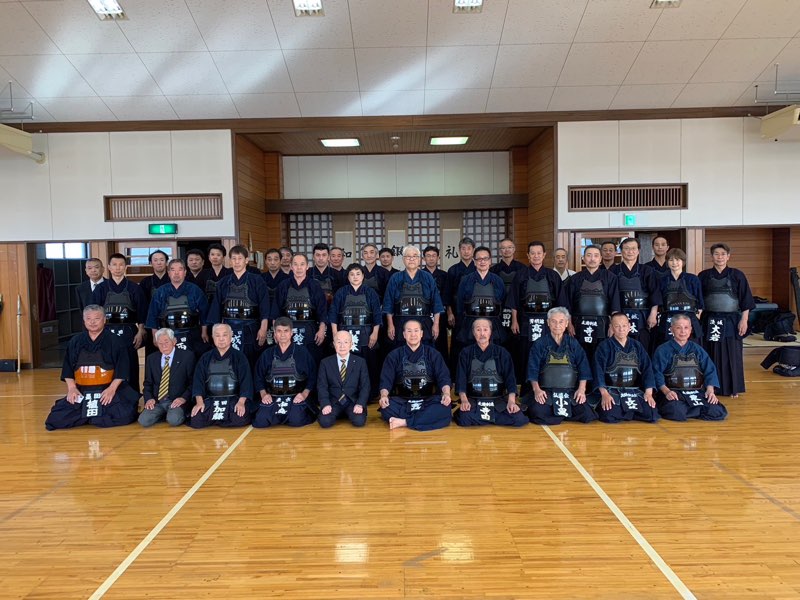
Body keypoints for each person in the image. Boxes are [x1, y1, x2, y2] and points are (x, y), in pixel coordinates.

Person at [44, 305, 140, 430]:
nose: (92, 322)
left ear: (104, 320)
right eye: (88, 319)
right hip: (82, 390)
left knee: (125, 415)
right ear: (84, 321)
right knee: (56, 419)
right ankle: (91, 416)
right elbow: (68, 369)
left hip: (106, 389)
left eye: (96, 319)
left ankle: (87, 417)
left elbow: (122, 369)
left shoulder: (116, 341)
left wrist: (111, 389)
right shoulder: (75, 341)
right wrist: (72, 388)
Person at [698, 243, 755, 397]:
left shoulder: (737, 275)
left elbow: (746, 300)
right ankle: (710, 387)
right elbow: (699, 300)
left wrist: (744, 320)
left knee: (732, 353)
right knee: (709, 353)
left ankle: (732, 388)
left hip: (731, 320)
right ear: (711, 256)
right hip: (709, 320)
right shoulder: (703, 276)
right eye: (716, 254)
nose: (720, 257)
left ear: (728, 256)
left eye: (723, 254)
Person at [524, 307, 597, 425]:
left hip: (569, 391)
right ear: (548, 323)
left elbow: (583, 367)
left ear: (567, 323)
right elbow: (532, 369)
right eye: (553, 321)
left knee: (587, 414)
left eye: (561, 322)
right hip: (546, 391)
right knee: (538, 412)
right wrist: (537, 390)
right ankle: (563, 416)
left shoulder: (573, 343)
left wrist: (581, 390)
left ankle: (557, 416)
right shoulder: (540, 344)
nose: (557, 325)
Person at [508, 241, 566, 388]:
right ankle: (527, 388)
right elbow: (514, 299)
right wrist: (514, 320)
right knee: (526, 353)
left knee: (547, 352)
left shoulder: (553, 275)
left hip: (548, 321)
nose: (536, 256)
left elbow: (560, 303)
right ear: (528, 255)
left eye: (539, 253)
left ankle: (546, 386)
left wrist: (560, 324)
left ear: (544, 255)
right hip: (526, 320)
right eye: (532, 253)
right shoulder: (520, 275)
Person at [378, 319, 452, 431]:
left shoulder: (433, 354)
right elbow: (386, 380)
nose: (413, 334)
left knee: (445, 408)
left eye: (416, 331)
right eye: (409, 331)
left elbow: (444, 377)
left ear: (421, 334)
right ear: (404, 334)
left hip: (428, 400)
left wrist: (446, 394)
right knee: (386, 408)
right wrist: (384, 396)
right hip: (402, 401)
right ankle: (422, 419)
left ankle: (404, 422)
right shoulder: (394, 355)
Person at [652, 314, 727, 421]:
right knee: (676, 411)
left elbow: (710, 370)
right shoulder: (663, 350)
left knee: (717, 411)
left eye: (686, 327)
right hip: (673, 392)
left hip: (695, 391)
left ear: (691, 329)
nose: (683, 331)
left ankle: (691, 410)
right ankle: (694, 411)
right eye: (678, 328)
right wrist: (666, 391)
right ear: (671, 329)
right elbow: (656, 373)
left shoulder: (697, 349)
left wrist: (710, 391)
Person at [454, 318, 528, 427]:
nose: (482, 333)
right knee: (464, 418)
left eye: (485, 329)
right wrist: (464, 401)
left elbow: (510, 379)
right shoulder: (466, 353)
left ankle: (482, 418)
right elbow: (461, 379)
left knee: (518, 419)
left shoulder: (502, 353)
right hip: (474, 400)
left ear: (491, 332)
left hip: (497, 400)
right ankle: (494, 419)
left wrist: (511, 401)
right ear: (473, 333)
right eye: (478, 330)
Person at [91, 253, 148, 394]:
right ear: (109, 267)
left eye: (121, 265)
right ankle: (108, 396)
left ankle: (133, 396)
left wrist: (140, 332)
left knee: (130, 364)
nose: (118, 268)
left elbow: (142, 312)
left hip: (128, 331)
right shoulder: (101, 288)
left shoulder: (134, 288)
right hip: (106, 331)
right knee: (108, 364)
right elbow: (94, 313)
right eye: (114, 265)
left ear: (125, 267)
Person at [207, 245, 270, 368]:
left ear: (246, 260)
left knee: (250, 362)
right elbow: (216, 309)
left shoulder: (257, 280)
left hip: (250, 328)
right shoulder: (223, 282)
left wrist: (263, 328)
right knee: (230, 363)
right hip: (228, 328)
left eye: (240, 258)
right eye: (234, 259)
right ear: (230, 261)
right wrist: (217, 332)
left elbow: (264, 305)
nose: (236, 262)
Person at [593, 313, 659, 424]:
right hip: (612, 390)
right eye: (617, 326)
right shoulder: (604, 346)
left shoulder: (637, 346)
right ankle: (630, 413)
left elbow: (647, 369)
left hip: (633, 390)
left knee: (652, 414)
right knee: (608, 415)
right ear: (611, 327)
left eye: (624, 326)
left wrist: (648, 393)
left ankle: (627, 413)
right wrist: (604, 394)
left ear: (629, 326)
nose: (621, 329)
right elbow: (598, 371)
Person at [253, 317, 317, 428]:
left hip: (295, 397)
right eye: (279, 331)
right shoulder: (267, 354)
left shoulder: (302, 352)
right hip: (273, 396)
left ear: (291, 333)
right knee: (261, 421)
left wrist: (304, 394)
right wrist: (264, 395)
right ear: (275, 334)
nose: (282, 334)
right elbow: (258, 377)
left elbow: (312, 376)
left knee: (296, 420)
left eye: (286, 331)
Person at [329, 263, 382, 397]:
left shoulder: (371, 293)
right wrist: (335, 334)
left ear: (363, 276)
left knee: (368, 365)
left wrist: (375, 333)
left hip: (366, 332)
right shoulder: (341, 292)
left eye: (358, 274)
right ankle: (347, 393)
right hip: (345, 333)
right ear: (348, 277)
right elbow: (333, 314)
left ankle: (369, 394)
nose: (355, 277)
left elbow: (377, 314)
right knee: (347, 365)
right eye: (352, 274)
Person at [189, 323, 254, 428]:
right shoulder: (205, 358)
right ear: (213, 337)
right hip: (211, 399)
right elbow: (198, 382)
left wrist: (241, 402)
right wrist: (199, 402)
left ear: (231, 336)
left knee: (239, 418)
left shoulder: (239, 357)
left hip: (233, 399)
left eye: (224, 335)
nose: (221, 339)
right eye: (217, 335)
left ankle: (215, 420)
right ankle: (220, 420)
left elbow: (246, 382)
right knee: (196, 420)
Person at [563, 245, 620, 365]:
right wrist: (569, 324)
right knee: (580, 356)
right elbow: (567, 303)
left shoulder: (610, 277)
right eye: (589, 255)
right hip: (579, 323)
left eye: (596, 256)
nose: (592, 259)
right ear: (583, 258)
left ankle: (598, 377)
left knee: (601, 356)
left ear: (600, 259)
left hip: (603, 324)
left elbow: (615, 303)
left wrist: (612, 325)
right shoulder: (574, 279)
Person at [452, 246, 506, 365]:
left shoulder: (498, 281)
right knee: (470, 359)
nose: (482, 262)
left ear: (490, 261)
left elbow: (502, 302)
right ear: (474, 261)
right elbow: (460, 305)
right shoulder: (466, 280)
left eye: (485, 258)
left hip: (493, 324)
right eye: (479, 259)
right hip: (470, 324)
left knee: (493, 359)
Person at [145, 258, 209, 357]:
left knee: (191, 360)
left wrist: (204, 332)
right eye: (173, 270)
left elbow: (204, 312)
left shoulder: (195, 290)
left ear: (185, 272)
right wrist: (155, 336)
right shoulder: (160, 292)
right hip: (167, 334)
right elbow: (153, 315)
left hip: (191, 333)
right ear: (169, 273)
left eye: (180, 269)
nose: (176, 273)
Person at [383, 245, 444, 347]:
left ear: (419, 259)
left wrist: (436, 324)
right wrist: (390, 324)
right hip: (400, 323)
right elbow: (388, 303)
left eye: (415, 256)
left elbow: (436, 303)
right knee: (401, 351)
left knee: (425, 351)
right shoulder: (395, 278)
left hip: (424, 322)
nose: (411, 259)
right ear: (403, 259)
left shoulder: (427, 277)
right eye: (408, 256)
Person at [273, 253, 328, 364]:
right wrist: (275, 332)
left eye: (302, 264)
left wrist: (322, 329)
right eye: (295, 264)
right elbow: (276, 311)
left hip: (310, 329)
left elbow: (322, 310)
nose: (299, 268)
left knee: (311, 361)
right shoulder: (283, 285)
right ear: (291, 267)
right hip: (288, 330)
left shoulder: (314, 285)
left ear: (307, 266)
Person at [609, 237, 661, 351]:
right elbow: (611, 296)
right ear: (621, 251)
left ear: (638, 251)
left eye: (633, 248)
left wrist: (653, 314)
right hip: (621, 314)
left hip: (642, 315)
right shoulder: (613, 271)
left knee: (642, 347)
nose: (630, 252)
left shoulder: (647, 270)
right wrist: (612, 319)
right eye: (626, 248)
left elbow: (654, 293)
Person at [138, 328, 196, 427]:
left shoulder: (187, 356)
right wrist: (149, 398)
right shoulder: (151, 359)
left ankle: (174, 413)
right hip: (158, 401)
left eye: (166, 342)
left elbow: (193, 382)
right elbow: (148, 383)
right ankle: (163, 414)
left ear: (174, 341)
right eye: (160, 343)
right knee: (143, 420)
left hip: (176, 400)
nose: (164, 346)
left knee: (174, 420)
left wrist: (183, 398)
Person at [317, 331, 370, 428]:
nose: (342, 346)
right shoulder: (325, 363)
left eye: (346, 342)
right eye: (339, 342)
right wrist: (325, 404)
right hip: (334, 401)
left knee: (359, 421)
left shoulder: (360, 362)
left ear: (351, 344)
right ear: (334, 344)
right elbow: (322, 386)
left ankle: (346, 414)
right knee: (325, 422)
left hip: (352, 401)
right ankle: (340, 414)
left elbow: (365, 386)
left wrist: (360, 404)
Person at [657, 248, 703, 345]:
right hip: (668, 319)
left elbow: (700, 303)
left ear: (683, 261)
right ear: (667, 262)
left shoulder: (693, 279)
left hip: (689, 318)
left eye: (677, 260)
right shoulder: (662, 280)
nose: (674, 263)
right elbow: (658, 302)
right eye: (671, 260)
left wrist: (695, 317)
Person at [490, 237, 526, 339]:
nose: (507, 250)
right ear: (500, 250)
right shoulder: (493, 270)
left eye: (510, 247)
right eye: (503, 248)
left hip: (518, 308)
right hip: (499, 308)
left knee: (517, 338)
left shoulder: (522, 268)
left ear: (514, 249)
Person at [423, 245, 450, 361]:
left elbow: (447, 295)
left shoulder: (444, 275)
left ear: (438, 258)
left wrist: (449, 312)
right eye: (428, 256)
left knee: (441, 341)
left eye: (434, 256)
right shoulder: (420, 274)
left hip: (440, 312)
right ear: (424, 258)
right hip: (424, 313)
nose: (431, 258)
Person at [445, 237, 476, 334]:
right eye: (463, 248)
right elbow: (447, 294)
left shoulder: (478, 269)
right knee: (458, 336)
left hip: (475, 309)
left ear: (473, 250)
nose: (466, 251)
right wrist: (450, 313)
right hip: (457, 309)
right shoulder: (453, 270)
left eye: (469, 248)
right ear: (459, 250)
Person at [262, 248, 290, 345]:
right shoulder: (260, 279)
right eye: (269, 259)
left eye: (276, 259)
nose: (272, 262)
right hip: (264, 317)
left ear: (281, 261)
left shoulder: (288, 279)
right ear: (265, 261)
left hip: (282, 317)